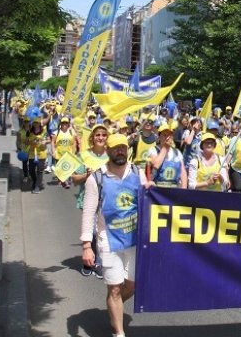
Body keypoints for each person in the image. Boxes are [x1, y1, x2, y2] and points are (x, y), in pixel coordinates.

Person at [80, 133, 150, 337]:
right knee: (115, 289)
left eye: (123, 147)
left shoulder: (138, 172)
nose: (120, 151)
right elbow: (88, 212)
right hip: (108, 241)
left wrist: (152, 190)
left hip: (134, 240)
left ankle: (114, 305)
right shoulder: (96, 179)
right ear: (108, 151)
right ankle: (118, 331)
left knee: (132, 285)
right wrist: (86, 246)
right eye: (115, 148)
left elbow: (149, 199)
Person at [71, 124, 109, 278]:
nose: (100, 138)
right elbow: (74, 179)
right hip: (88, 199)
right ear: (92, 138)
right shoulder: (83, 156)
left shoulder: (111, 156)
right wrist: (86, 176)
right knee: (91, 231)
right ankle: (88, 262)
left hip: (107, 200)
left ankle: (99, 262)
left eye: (103, 135)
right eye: (97, 135)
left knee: (101, 232)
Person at [148, 124, 188, 188]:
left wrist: (184, 189)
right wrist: (165, 148)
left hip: (174, 190)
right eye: (164, 135)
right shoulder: (153, 150)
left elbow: (183, 172)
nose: (167, 137)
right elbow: (155, 165)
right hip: (158, 190)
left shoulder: (177, 152)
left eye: (170, 135)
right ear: (159, 136)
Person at [52, 117, 78, 188]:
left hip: (68, 154)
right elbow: (53, 142)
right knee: (59, 168)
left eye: (66, 123)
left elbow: (74, 143)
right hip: (59, 153)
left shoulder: (71, 133)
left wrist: (73, 152)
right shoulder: (56, 132)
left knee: (66, 167)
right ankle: (60, 180)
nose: (64, 124)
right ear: (61, 124)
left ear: (68, 124)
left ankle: (66, 182)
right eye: (63, 123)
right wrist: (53, 151)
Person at [26, 118, 49, 194]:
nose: (36, 124)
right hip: (32, 154)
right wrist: (29, 142)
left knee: (39, 171)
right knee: (31, 170)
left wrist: (45, 141)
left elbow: (49, 139)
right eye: (35, 123)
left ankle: (37, 186)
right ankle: (35, 181)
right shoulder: (29, 132)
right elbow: (26, 141)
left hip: (41, 154)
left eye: (37, 123)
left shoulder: (44, 131)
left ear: (40, 124)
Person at [16, 117, 31, 183]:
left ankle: (31, 174)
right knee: (24, 163)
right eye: (25, 122)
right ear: (23, 123)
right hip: (23, 149)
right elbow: (18, 141)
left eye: (27, 122)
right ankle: (25, 176)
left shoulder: (32, 131)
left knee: (31, 164)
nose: (26, 123)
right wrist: (18, 148)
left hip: (31, 149)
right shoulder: (20, 131)